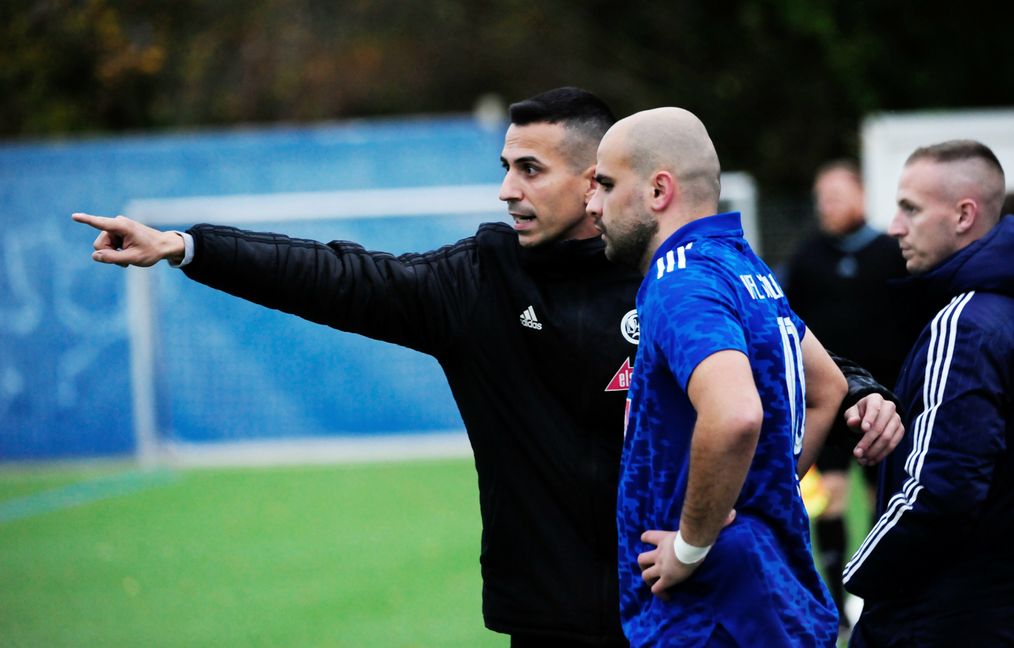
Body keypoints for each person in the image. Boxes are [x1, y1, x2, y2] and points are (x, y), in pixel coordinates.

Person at [72, 88, 899, 646]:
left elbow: (786, 357)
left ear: (596, 184)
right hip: (543, 617)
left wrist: (859, 396)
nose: (506, 189)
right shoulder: (478, 280)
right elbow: (338, 276)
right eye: (504, 167)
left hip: (673, 607)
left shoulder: (673, 280)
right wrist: (189, 248)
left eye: (529, 169)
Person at [587, 107, 875, 646]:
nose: (593, 203)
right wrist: (761, 492)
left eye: (604, 183)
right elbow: (828, 388)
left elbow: (735, 413)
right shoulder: (745, 268)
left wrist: (690, 545)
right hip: (761, 588)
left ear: (658, 190)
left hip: (712, 610)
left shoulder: (680, 281)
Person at [842, 140, 1014, 647]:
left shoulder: (965, 325)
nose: (894, 226)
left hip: (940, 619)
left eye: (910, 209)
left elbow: (941, 491)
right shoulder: (998, 311)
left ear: (964, 215)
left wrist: (857, 575)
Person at [782, 160, 918, 637]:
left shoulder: (890, 252)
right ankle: (836, 603)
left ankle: (882, 597)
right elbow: (789, 327)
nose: (827, 207)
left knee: (885, 499)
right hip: (832, 404)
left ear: (860, 195)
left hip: (891, 403)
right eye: (821, 198)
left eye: (836, 196)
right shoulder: (807, 258)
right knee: (832, 501)